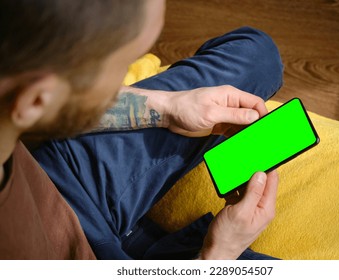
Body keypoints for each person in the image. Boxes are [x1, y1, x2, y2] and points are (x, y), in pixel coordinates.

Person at [0, 0, 283, 259]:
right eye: (123, 66)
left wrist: (168, 107)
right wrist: (218, 255)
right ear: (35, 99)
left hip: (57, 174)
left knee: (258, 58)